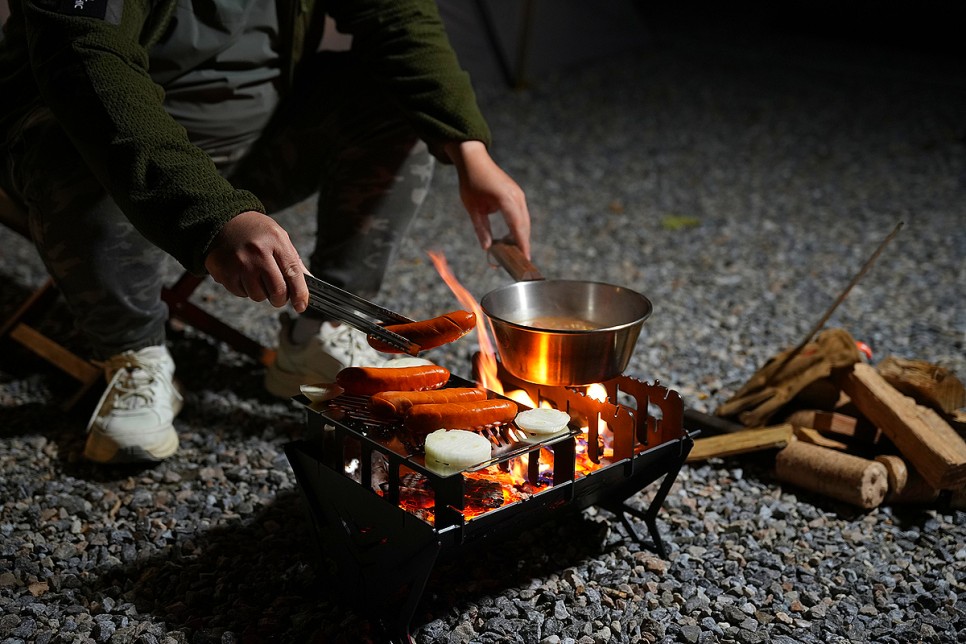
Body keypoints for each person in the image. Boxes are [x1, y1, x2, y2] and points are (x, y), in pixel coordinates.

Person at [0, 0, 531, 463]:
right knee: (66, 135)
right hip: (105, 148)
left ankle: (317, 334)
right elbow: (82, 61)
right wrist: (213, 216)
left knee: (394, 99)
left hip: (256, 139)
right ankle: (132, 353)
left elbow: (396, 13)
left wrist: (468, 148)